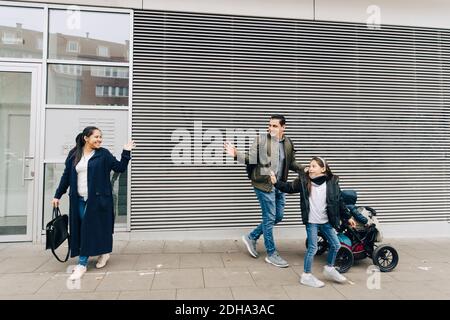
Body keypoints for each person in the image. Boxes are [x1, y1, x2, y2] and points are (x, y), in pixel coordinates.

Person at [52, 126, 136, 281]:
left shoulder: (103, 154)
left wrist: (126, 152)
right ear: (86, 138)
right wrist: (57, 195)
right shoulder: (74, 155)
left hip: (97, 200)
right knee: (82, 228)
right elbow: (66, 177)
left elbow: (120, 168)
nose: (99, 140)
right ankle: (104, 252)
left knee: (87, 229)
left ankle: (82, 264)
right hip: (78, 199)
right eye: (96, 137)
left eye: (100, 137)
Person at [224, 115, 303, 268]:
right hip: (263, 185)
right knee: (269, 217)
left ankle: (251, 237)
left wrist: (304, 169)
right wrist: (236, 154)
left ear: (283, 127)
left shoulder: (287, 143)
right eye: (269, 125)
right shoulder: (261, 140)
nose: (270, 128)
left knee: (277, 216)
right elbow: (251, 158)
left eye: (274, 126)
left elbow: (291, 162)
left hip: (279, 185)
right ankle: (271, 254)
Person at [270, 156, 355, 287]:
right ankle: (306, 275)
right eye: (309, 166)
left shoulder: (332, 182)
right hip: (312, 222)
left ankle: (330, 268)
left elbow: (339, 202)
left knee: (336, 245)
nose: (310, 169)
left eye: (314, 166)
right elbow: (289, 187)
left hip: (326, 221)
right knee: (312, 248)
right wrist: (276, 183)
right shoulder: (304, 181)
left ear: (323, 169)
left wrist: (348, 217)